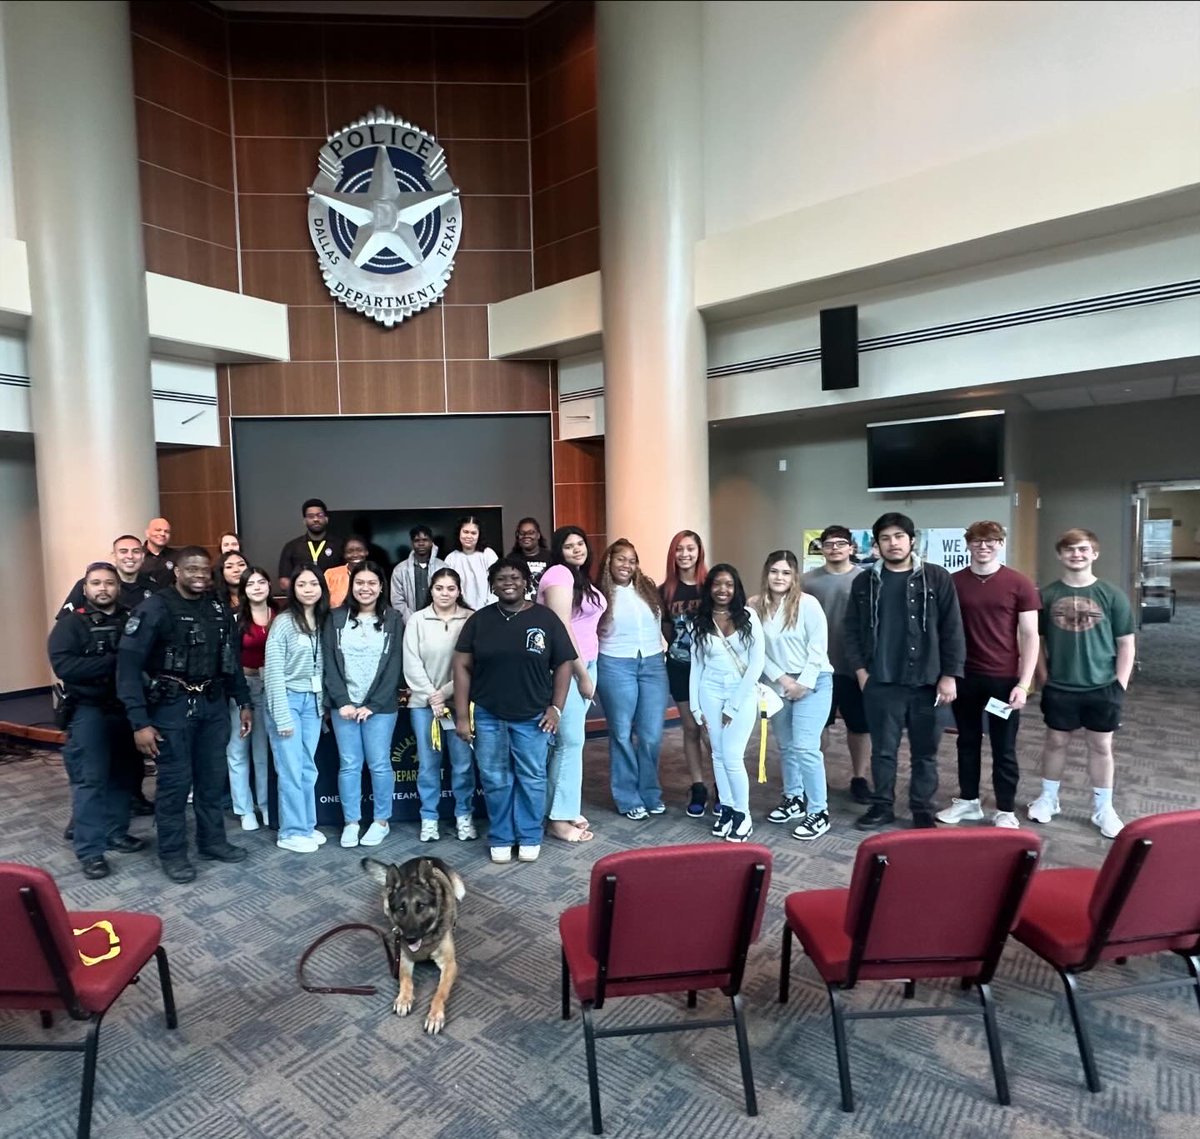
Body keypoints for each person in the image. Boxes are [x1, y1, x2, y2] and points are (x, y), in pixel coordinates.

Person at [117, 547, 252, 882]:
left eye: (205, 570)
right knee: (175, 785)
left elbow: (230, 659)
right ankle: (173, 853)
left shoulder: (218, 606)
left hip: (212, 704)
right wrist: (140, 723)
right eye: (191, 569)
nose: (199, 576)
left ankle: (212, 842)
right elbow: (128, 668)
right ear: (176, 571)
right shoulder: (155, 608)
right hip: (170, 708)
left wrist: (244, 701)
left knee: (210, 780)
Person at [845, 513, 965, 831]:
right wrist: (860, 671)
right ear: (877, 545)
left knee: (925, 752)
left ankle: (921, 808)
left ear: (912, 540)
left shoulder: (937, 578)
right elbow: (852, 629)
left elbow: (953, 628)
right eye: (885, 538)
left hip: (928, 681)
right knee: (883, 751)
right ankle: (882, 805)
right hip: (881, 682)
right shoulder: (864, 581)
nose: (892, 543)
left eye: (899, 536)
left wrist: (951, 674)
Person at [453, 558, 575, 864]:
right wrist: (462, 716)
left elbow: (563, 663)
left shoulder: (546, 619)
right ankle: (502, 837)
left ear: (527, 583)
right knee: (495, 778)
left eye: (516, 577)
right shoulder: (479, 621)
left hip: (533, 716)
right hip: (488, 714)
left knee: (532, 777)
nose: (509, 582)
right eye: (502, 578)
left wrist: (556, 708)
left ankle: (530, 835)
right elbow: (462, 666)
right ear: (492, 585)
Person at [1028, 528, 1135, 839]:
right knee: (1055, 743)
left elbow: (1126, 643)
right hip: (1060, 687)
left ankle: (1104, 808)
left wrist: (1120, 685)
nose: (1077, 554)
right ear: (1060, 555)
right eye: (1070, 549)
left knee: (1101, 747)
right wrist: (1045, 679)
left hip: (1103, 687)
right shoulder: (1046, 596)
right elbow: (1037, 642)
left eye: (1083, 549)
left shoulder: (1112, 595)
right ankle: (1049, 799)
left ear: (1094, 554)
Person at [938, 521, 1040, 829]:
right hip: (965, 678)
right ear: (968, 545)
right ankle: (968, 802)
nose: (984, 546)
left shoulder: (1018, 583)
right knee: (966, 742)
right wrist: (948, 675)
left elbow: (1030, 636)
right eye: (978, 541)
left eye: (992, 541)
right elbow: (944, 633)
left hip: (1004, 680)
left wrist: (1024, 683)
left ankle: (1005, 809)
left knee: (1003, 747)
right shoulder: (953, 582)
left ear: (1001, 544)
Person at [49, 562, 146, 879]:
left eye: (109, 583)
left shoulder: (133, 618)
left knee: (125, 776)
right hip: (88, 710)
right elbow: (67, 667)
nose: (103, 588)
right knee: (90, 781)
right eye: (96, 583)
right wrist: (117, 662)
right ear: (85, 587)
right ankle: (91, 850)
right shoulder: (70, 625)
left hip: (125, 709)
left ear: (118, 587)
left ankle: (117, 833)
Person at [323, 561, 404, 850]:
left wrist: (373, 704)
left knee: (380, 764)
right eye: (360, 583)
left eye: (372, 583)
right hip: (344, 706)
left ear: (381, 587)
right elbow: (329, 664)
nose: (365, 588)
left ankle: (381, 821)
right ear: (351, 586)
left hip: (380, 707)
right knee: (349, 765)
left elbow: (395, 664)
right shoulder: (334, 618)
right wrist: (342, 701)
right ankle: (351, 822)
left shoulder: (393, 618)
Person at [754, 550, 835, 841]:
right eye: (775, 571)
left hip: (814, 682)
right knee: (786, 747)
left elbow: (819, 648)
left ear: (794, 576)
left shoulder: (808, 604)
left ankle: (819, 811)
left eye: (786, 572)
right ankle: (794, 799)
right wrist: (784, 680)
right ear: (767, 573)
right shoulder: (754, 606)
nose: (779, 577)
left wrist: (803, 683)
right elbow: (757, 652)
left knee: (805, 748)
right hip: (778, 685)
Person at [538, 526, 607, 838]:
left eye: (581, 543)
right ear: (558, 550)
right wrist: (582, 675)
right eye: (569, 546)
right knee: (570, 742)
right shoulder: (558, 575)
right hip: (567, 667)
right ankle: (558, 819)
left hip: (587, 662)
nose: (577, 549)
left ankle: (561, 808)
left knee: (567, 743)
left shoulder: (579, 577)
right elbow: (562, 626)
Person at [689, 564, 765, 843]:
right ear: (709, 588)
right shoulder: (701, 619)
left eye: (729, 584)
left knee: (732, 757)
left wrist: (733, 706)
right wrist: (696, 707)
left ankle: (743, 815)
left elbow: (757, 664)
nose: (723, 590)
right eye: (717, 584)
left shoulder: (749, 617)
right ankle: (729, 810)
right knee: (717, 756)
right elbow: (696, 666)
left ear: (736, 588)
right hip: (709, 691)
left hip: (741, 693)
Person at [596, 540, 668, 826]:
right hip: (615, 664)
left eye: (632, 560)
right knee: (622, 733)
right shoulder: (599, 593)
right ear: (609, 561)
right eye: (621, 559)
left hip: (652, 663)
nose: (627, 565)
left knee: (651, 735)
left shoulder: (647, 588)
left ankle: (650, 792)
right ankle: (627, 797)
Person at [404, 567, 476, 842]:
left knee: (462, 764)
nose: (445, 593)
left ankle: (464, 816)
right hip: (423, 706)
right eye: (439, 588)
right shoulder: (417, 620)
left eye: (451, 588)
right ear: (430, 590)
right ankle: (429, 818)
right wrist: (430, 695)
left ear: (459, 591)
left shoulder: (470, 619)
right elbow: (410, 662)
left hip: (458, 703)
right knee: (428, 765)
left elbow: (472, 662)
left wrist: (445, 693)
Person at [264, 563, 330, 854]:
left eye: (313, 584)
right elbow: (274, 673)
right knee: (290, 769)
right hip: (287, 700)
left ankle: (306, 825)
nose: (308, 589)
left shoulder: (324, 620)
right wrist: (281, 716)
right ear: (292, 588)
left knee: (307, 768)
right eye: (302, 584)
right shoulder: (284, 622)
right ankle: (290, 831)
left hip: (312, 704)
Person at [803, 525, 872, 804]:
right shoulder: (806, 582)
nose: (834, 548)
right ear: (821, 548)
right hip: (817, 669)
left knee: (859, 727)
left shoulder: (866, 579)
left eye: (840, 543)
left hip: (854, 668)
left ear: (852, 547)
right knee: (818, 727)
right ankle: (815, 778)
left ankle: (859, 778)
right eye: (828, 544)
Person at [660, 530, 716, 817]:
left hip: (711, 670)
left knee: (710, 729)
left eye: (690, 549)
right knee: (691, 728)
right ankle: (698, 785)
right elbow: (667, 632)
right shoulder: (665, 590)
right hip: (680, 668)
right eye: (679, 549)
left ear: (699, 551)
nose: (685, 554)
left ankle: (721, 786)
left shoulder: (711, 586)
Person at [226, 566, 275, 831]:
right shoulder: (234, 619)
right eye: (250, 583)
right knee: (237, 749)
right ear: (243, 590)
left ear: (269, 586)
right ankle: (244, 809)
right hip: (242, 687)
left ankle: (265, 805)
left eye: (261, 581)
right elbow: (229, 659)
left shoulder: (279, 616)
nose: (256, 587)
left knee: (262, 751)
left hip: (272, 688)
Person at [59, 534, 158, 616]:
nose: (130, 556)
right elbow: (64, 623)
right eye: (123, 551)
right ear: (114, 556)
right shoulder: (90, 585)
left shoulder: (154, 587)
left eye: (136, 551)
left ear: (143, 556)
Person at [278, 498, 343, 592]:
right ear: (304, 521)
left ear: (326, 519)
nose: (315, 519)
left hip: (333, 599)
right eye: (311, 516)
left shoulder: (340, 544)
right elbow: (284, 582)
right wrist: (305, 592)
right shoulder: (292, 547)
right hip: (303, 599)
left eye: (319, 515)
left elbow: (348, 576)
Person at [390, 524, 446, 624]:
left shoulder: (443, 567)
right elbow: (397, 601)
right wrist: (413, 621)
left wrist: (439, 619)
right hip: (409, 624)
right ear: (411, 543)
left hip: (438, 622)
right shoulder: (400, 570)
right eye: (417, 540)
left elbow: (447, 596)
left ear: (431, 542)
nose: (421, 543)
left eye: (425, 540)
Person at [444, 515, 498, 610]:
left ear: (479, 535)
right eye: (465, 532)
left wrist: (488, 609)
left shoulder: (488, 554)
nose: (469, 536)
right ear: (459, 533)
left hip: (487, 611)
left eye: (473, 533)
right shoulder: (451, 558)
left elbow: (497, 584)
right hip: (458, 612)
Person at [324, 534, 369, 609]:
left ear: (366, 552)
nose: (355, 555)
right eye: (350, 551)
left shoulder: (374, 574)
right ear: (344, 554)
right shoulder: (331, 574)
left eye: (359, 550)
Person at [509, 517, 549, 598]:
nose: (526, 536)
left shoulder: (550, 557)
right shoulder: (511, 559)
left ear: (538, 535)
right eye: (522, 533)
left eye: (531, 533)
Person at [141, 517, 177, 586]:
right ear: (147, 533)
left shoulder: (177, 557)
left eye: (167, 531)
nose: (163, 534)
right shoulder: (136, 556)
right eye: (158, 530)